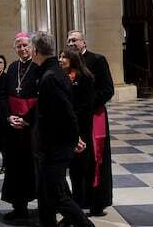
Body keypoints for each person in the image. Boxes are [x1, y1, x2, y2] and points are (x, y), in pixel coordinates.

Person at [32, 32, 95, 227]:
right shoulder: (56, 72)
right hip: (53, 144)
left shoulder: (50, 77)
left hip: (55, 146)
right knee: (46, 191)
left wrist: (74, 137)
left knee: (57, 196)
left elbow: (67, 112)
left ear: (35, 51)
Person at [67, 30, 114, 217]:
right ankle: (78, 200)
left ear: (84, 42)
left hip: (94, 118)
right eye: (69, 40)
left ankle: (97, 202)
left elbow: (108, 90)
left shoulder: (97, 60)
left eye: (74, 40)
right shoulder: (66, 63)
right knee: (76, 161)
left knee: (96, 160)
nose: (71, 43)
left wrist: (87, 104)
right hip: (74, 119)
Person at [0, 32, 39, 220]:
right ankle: (19, 207)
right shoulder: (13, 67)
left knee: (34, 167)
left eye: (25, 45)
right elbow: (4, 96)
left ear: (32, 47)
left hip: (32, 127)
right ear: (14, 48)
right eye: (18, 46)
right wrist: (9, 116)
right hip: (13, 127)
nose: (22, 49)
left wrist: (27, 119)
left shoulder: (38, 67)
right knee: (15, 167)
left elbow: (43, 99)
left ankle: (45, 207)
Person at [59, 48, 96, 216]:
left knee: (79, 170)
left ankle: (80, 205)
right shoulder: (60, 77)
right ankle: (71, 204)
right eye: (59, 56)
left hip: (81, 129)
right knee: (68, 169)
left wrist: (73, 122)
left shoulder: (85, 77)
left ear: (72, 59)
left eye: (64, 57)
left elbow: (86, 106)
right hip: (65, 129)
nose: (60, 59)